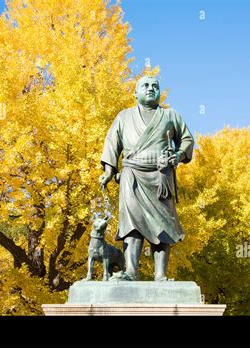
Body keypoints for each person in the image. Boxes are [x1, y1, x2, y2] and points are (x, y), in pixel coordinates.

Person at [99, 76, 194, 281]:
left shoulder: (170, 115)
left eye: (155, 86)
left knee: (162, 224)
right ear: (135, 93)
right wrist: (109, 170)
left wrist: (178, 155)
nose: (151, 89)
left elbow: (187, 139)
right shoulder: (123, 117)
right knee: (132, 222)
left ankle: (160, 274)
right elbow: (111, 143)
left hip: (161, 174)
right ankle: (131, 271)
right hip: (132, 173)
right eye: (145, 86)